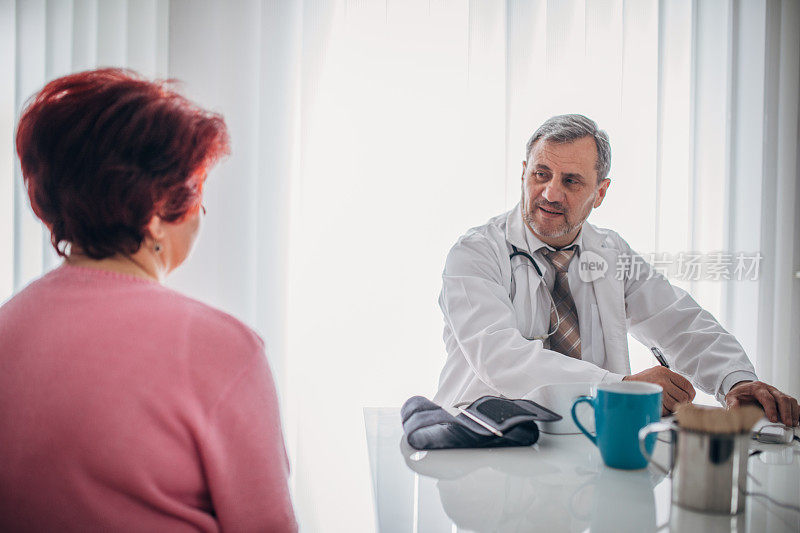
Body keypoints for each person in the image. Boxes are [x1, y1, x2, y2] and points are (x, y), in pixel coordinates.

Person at [0, 69, 298, 531]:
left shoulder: (7, 328)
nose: (202, 212)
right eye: (197, 192)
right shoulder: (222, 350)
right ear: (158, 212)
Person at [434, 114, 799, 427]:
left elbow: (679, 322)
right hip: (483, 445)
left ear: (601, 192)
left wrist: (735, 381)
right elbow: (500, 357)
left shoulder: (609, 251)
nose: (549, 193)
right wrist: (619, 385)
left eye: (571, 181)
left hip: (586, 441)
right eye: (540, 174)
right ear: (523, 173)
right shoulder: (476, 253)